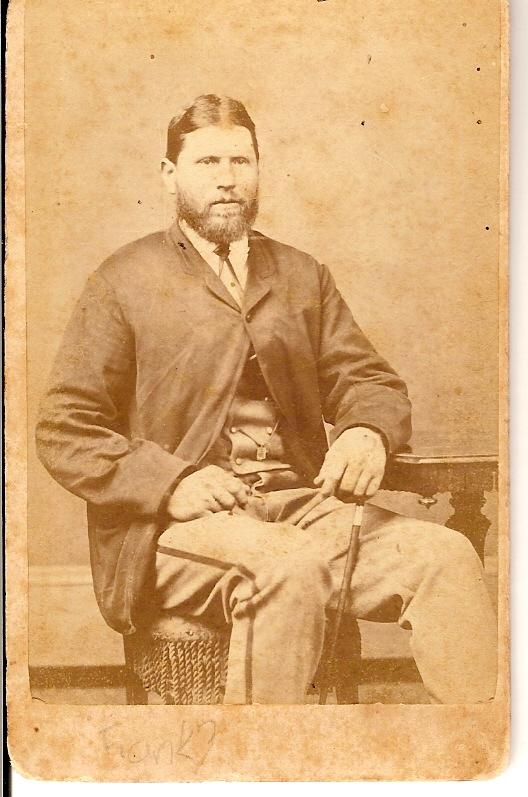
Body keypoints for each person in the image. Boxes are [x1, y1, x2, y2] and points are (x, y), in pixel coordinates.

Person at [36, 94, 497, 705]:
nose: (227, 180)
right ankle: (256, 765)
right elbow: (65, 429)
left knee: (444, 555)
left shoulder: (302, 275)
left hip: (301, 508)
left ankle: (484, 760)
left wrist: (367, 431)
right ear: (170, 176)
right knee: (289, 567)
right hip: (176, 528)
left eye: (241, 161)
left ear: (258, 168)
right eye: (207, 163)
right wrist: (171, 483)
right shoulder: (123, 281)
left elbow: (369, 381)